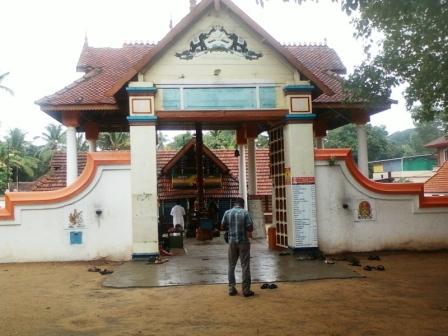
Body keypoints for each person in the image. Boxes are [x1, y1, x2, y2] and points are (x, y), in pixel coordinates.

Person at [221, 197, 254, 297]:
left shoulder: (227, 212)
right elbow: (250, 228)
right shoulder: (245, 213)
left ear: (235, 204)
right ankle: (246, 290)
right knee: (245, 265)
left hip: (231, 242)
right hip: (243, 242)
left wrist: (230, 228)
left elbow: (222, 226)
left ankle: (231, 288)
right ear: (242, 204)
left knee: (231, 265)